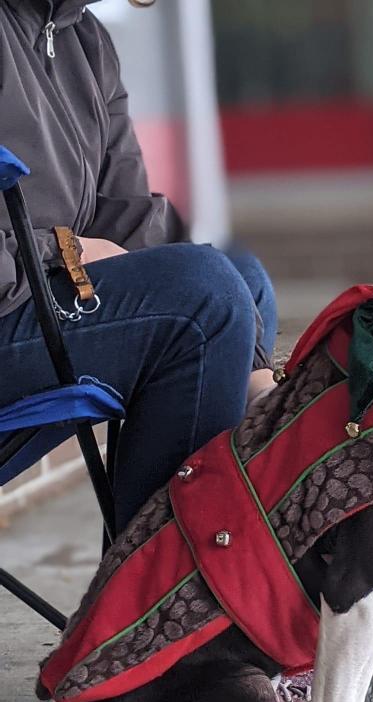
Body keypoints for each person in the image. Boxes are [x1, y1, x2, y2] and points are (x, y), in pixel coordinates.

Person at [0, 0, 278, 534]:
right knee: (205, 302)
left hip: (39, 306)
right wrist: (64, 253)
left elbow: (126, 213)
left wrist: (258, 374)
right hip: (10, 303)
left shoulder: (83, 37)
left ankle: (200, 570)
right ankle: (161, 595)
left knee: (238, 275)